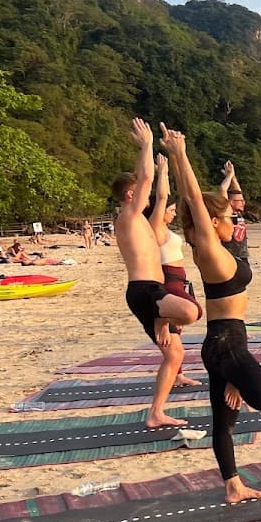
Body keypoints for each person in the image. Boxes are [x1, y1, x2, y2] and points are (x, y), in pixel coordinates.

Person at [164, 122, 261, 503]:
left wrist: (188, 168)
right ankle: (236, 381)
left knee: (224, 422)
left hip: (224, 345)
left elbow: (196, 205)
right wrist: (180, 155)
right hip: (227, 346)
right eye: (229, 218)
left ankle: (233, 485)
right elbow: (195, 200)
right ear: (213, 225)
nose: (234, 222)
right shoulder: (212, 252)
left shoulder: (208, 246)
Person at [110, 118, 200, 428]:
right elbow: (145, 178)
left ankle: (155, 413)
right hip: (145, 291)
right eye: (140, 193)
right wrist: (147, 145)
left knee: (174, 355)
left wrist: (163, 171)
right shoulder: (129, 216)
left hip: (152, 291)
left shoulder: (141, 223)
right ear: (130, 196)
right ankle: (162, 317)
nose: (146, 198)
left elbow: (159, 194)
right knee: (190, 311)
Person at [145, 154, 203, 403]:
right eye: (170, 210)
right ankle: (160, 319)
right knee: (193, 312)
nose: (173, 213)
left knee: (176, 333)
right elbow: (161, 197)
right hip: (168, 280)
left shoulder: (165, 230)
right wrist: (163, 172)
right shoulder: (155, 228)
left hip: (178, 280)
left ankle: (178, 375)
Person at [219, 161, 249, 262]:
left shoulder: (239, 213)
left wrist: (232, 176)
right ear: (230, 202)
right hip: (229, 256)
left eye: (243, 200)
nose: (243, 202)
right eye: (240, 201)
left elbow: (238, 190)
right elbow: (223, 189)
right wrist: (230, 176)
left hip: (243, 256)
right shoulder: (227, 213)